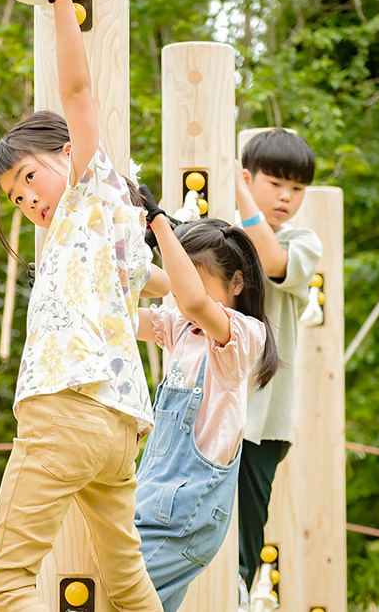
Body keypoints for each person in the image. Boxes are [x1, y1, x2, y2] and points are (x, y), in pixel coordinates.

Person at [0, 0, 171, 611]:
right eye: (15, 197)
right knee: (126, 584)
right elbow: (159, 282)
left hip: (66, 414)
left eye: (29, 177)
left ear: (65, 152)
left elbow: (80, 87)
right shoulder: (106, 225)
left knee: (5, 582)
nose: (27, 198)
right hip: (118, 434)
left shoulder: (89, 185)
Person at [134, 187, 278, 612]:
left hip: (188, 513)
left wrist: (159, 223)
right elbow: (118, 320)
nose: (182, 293)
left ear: (237, 283)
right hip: (153, 502)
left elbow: (195, 301)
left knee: (117, 597)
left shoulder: (243, 336)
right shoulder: (183, 328)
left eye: (196, 277)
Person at [233, 128, 323, 592]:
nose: (287, 197)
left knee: (244, 546)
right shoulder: (222, 230)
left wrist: (237, 193)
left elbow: (269, 259)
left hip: (262, 424)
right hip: (212, 413)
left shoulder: (303, 241)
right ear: (249, 178)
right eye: (276, 184)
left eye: (297, 188)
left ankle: (241, 600)